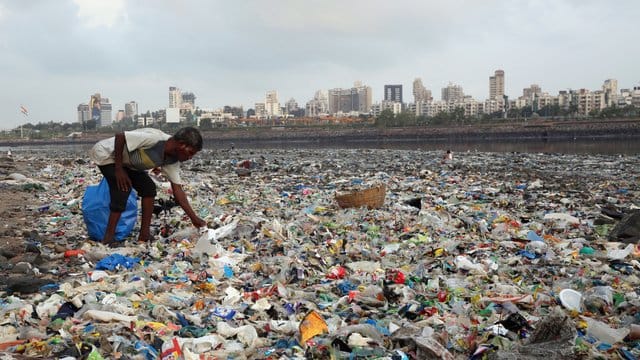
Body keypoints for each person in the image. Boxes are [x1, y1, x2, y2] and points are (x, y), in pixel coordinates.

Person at [89, 127, 207, 245]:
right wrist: (118, 169)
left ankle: (144, 234)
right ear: (181, 145)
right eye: (190, 153)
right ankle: (108, 237)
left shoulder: (172, 161)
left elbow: (178, 191)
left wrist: (194, 218)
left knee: (149, 188)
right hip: (107, 155)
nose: (190, 157)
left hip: (127, 164)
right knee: (122, 189)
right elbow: (120, 137)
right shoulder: (155, 139)